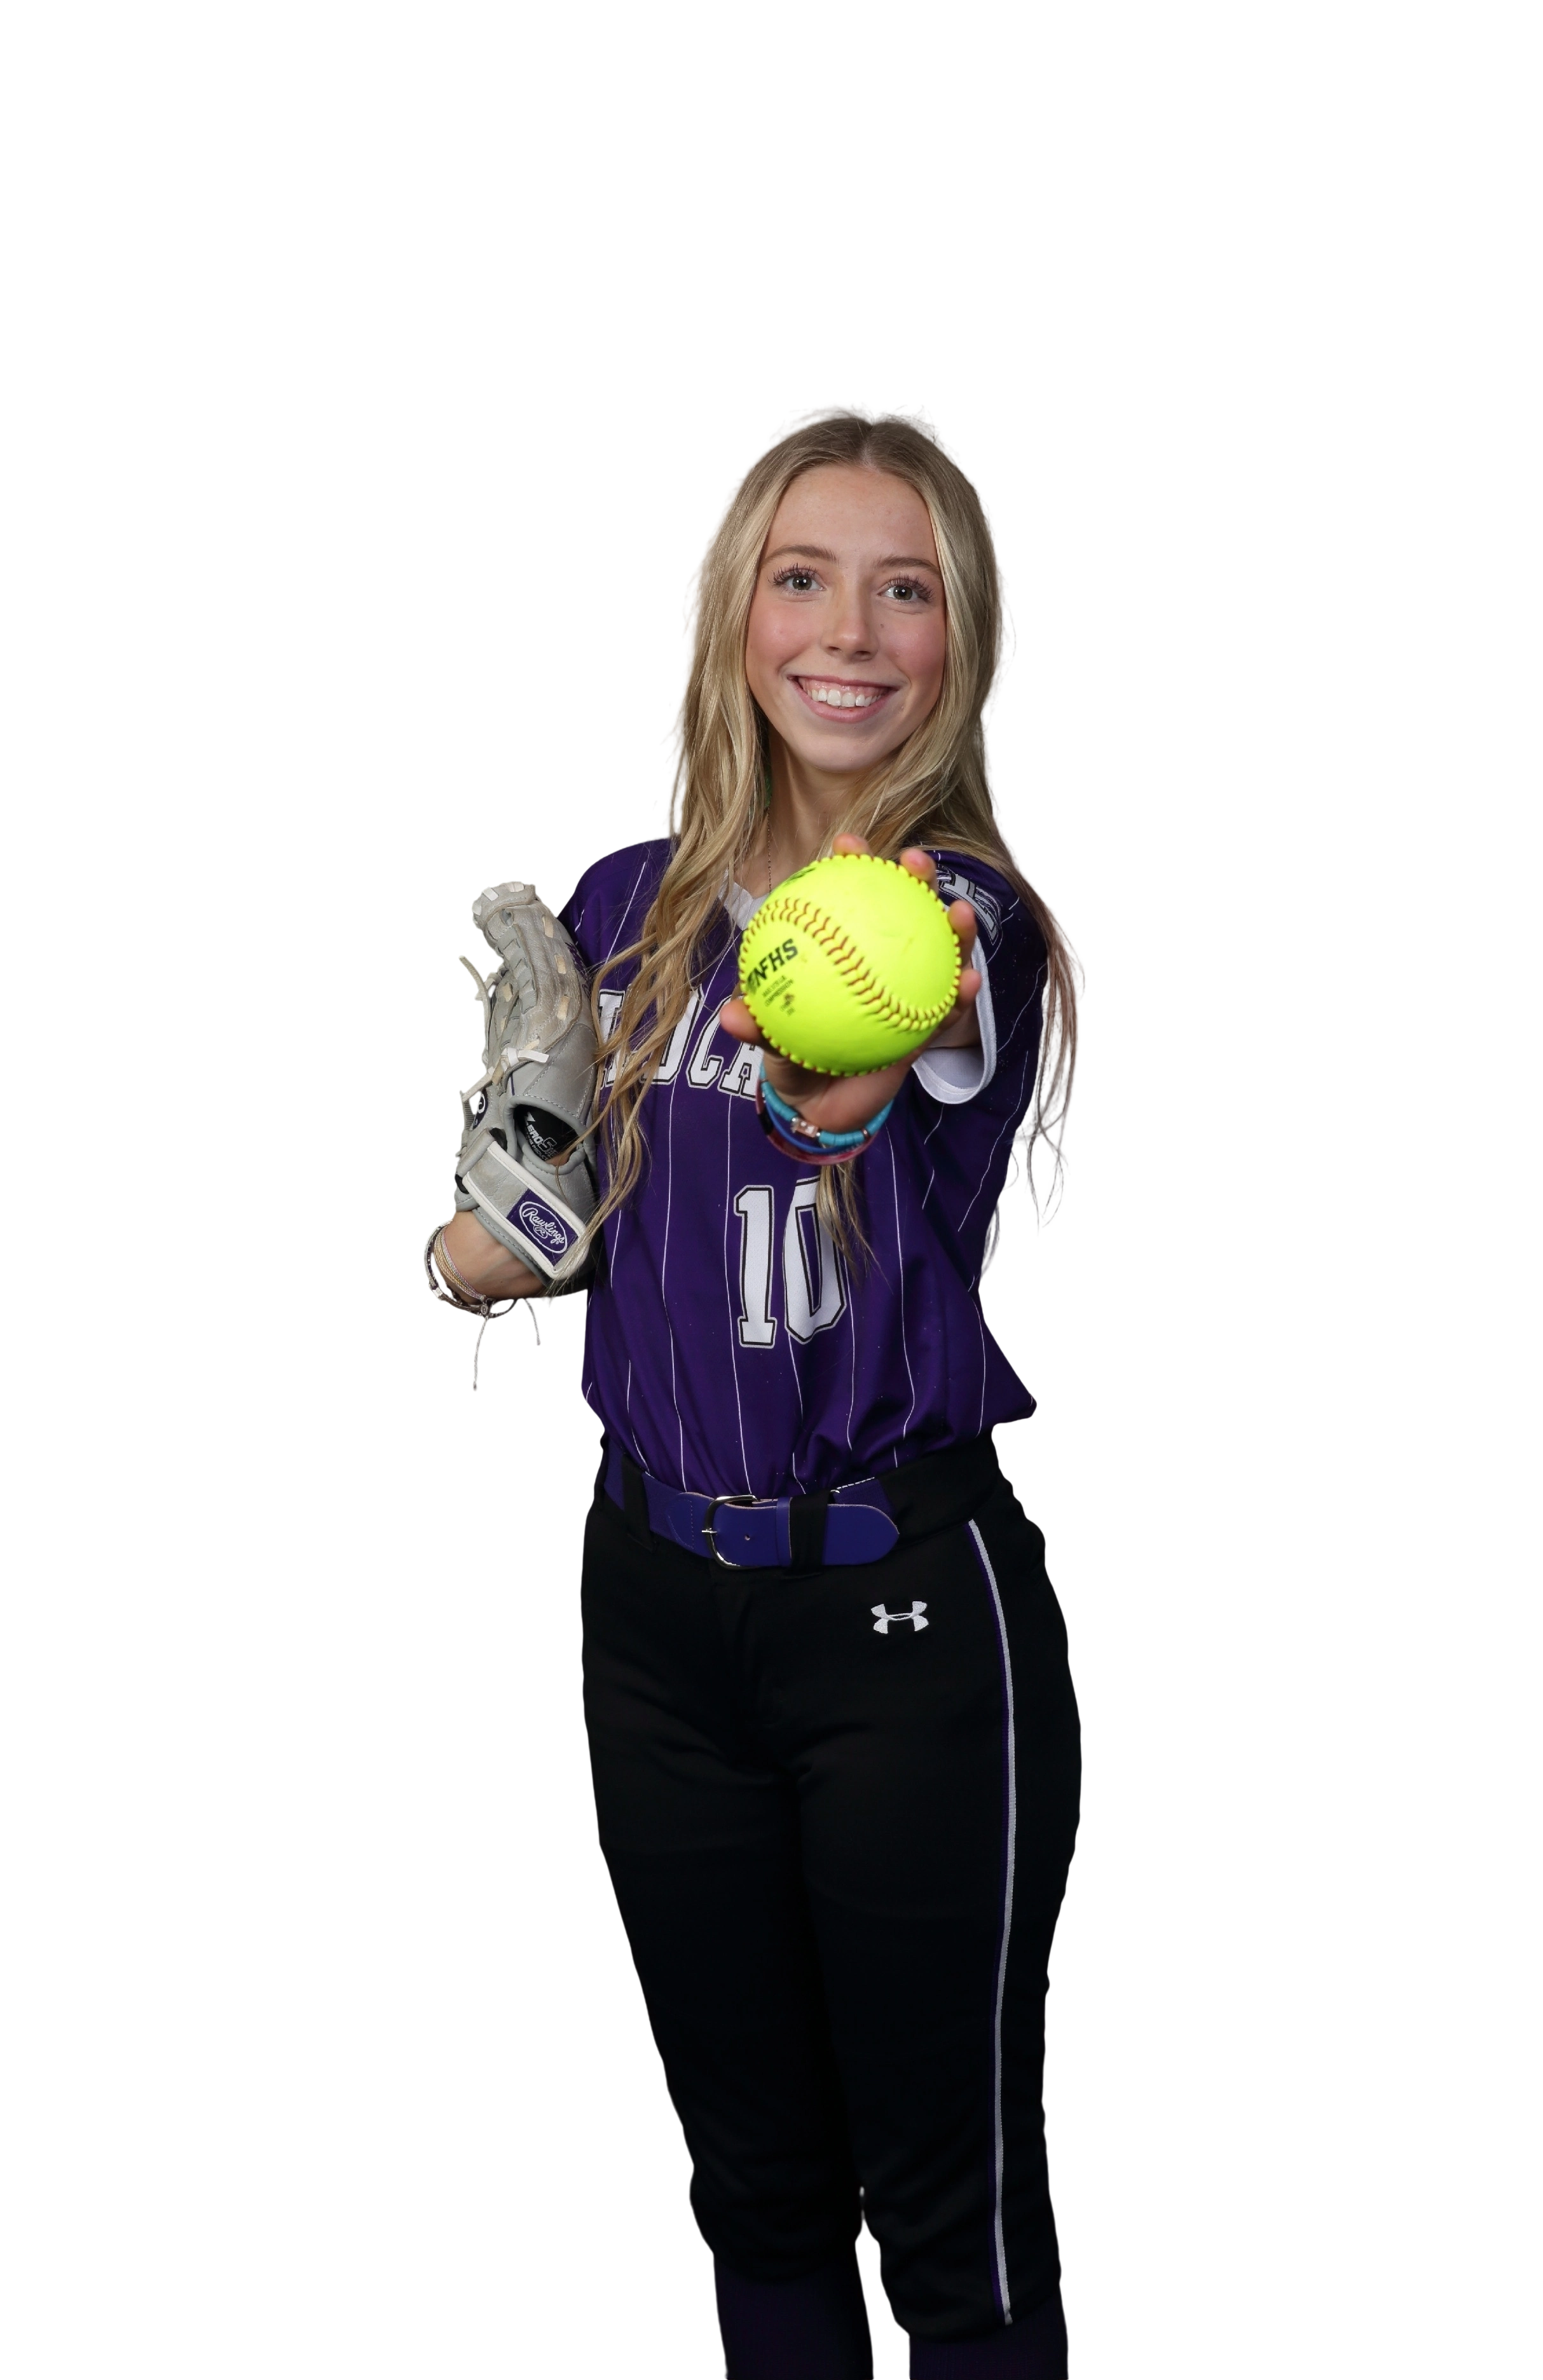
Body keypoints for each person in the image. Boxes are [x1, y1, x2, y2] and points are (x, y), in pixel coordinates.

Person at [429, 399, 1086, 2376]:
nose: (851, 632)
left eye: (909, 590)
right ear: (734, 612)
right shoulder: (620, 908)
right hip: (653, 1611)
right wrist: (491, 1226)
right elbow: (526, 1251)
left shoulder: (966, 919)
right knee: (755, 2196)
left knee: (953, 2228)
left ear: (966, 642)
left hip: (904, 1628)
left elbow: (846, 1074)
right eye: (805, 578)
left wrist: (831, 1080)